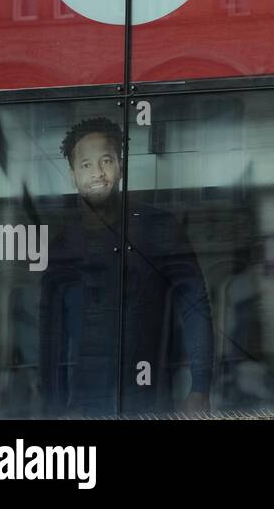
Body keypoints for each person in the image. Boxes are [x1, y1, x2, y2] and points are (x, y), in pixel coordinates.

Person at [39, 116, 214, 416]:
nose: (97, 172)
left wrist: (200, 388)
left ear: (121, 165)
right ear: (72, 175)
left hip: (149, 398)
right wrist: (55, 406)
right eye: (85, 165)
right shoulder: (63, 246)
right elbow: (50, 334)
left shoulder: (159, 227)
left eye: (106, 161)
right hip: (84, 403)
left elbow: (194, 307)